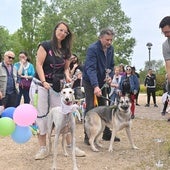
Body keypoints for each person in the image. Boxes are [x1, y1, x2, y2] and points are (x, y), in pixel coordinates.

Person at [29, 21, 85, 160]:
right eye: (61, 30)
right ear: (55, 30)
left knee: (64, 114)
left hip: (56, 87)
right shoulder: (45, 46)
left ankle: (71, 146)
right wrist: (43, 81)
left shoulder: (66, 51)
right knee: (41, 115)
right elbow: (39, 64)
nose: (63, 33)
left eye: (65, 32)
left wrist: (67, 76)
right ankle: (43, 148)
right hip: (40, 86)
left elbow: (66, 68)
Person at [83, 28, 120, 144]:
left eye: (111, 40)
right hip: (90, 82)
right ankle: (88, 136)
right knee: (90, 107)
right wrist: (95, 86)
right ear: (101, 38)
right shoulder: (92, 49)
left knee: (104, 107)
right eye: (107, 40)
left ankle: (106, 133)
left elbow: (111, 65)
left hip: (103, 81)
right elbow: (91, 68)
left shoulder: (110, 49)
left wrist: (110, 77)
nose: (109, 42)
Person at [159, 16, 170, 121]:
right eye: (164, 33)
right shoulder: (166, 45)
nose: (166, 35)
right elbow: (168, 64)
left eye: (168, 31)